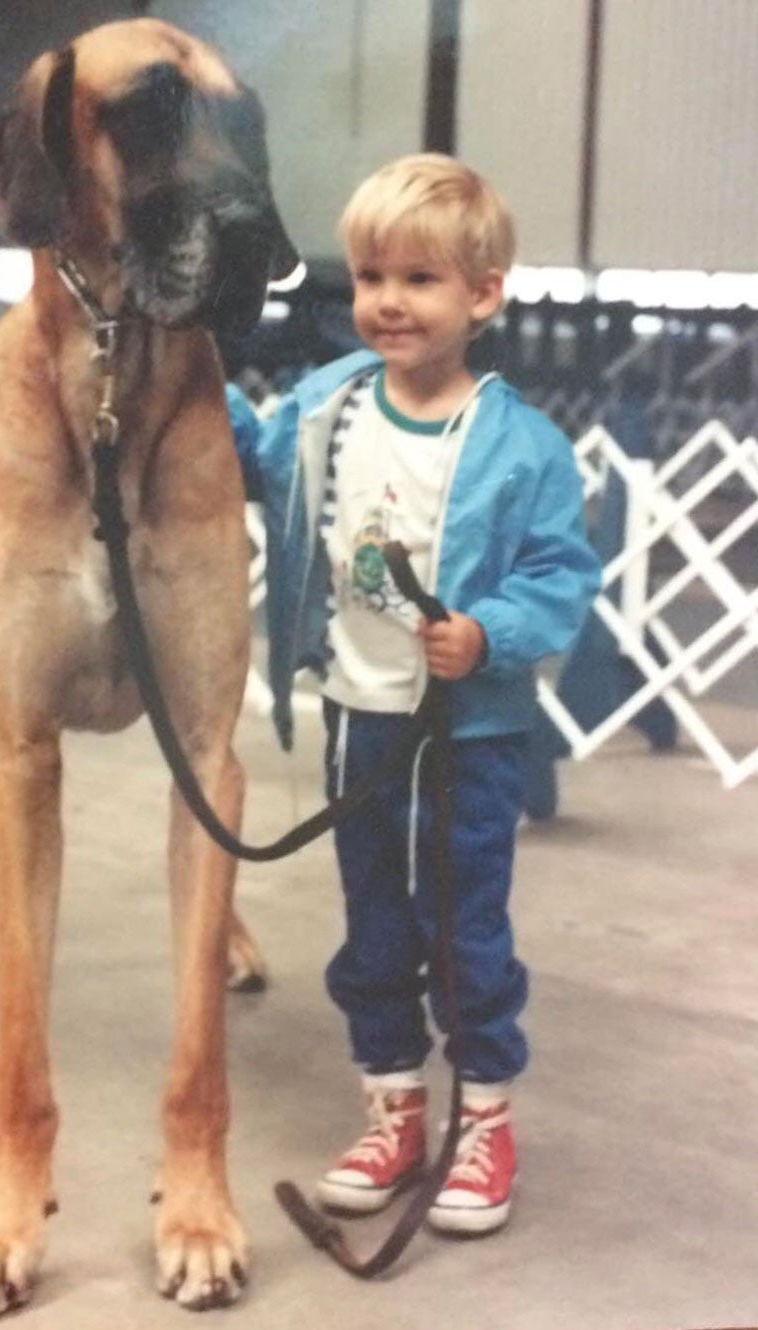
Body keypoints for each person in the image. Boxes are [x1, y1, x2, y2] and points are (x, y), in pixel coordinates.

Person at [230, 153, 601, 1235]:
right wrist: (188, 367)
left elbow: (559, 576)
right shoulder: (325, 404)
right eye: (368, 275)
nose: (386, 301)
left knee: (463, 921)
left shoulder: (521, 444)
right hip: (360, 712)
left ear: (481, 293)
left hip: (470, 731)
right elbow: (255, 456)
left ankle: (482, 1117)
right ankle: (391, 1105)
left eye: (418, 278)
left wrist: (487, 633)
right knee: (373, 924)